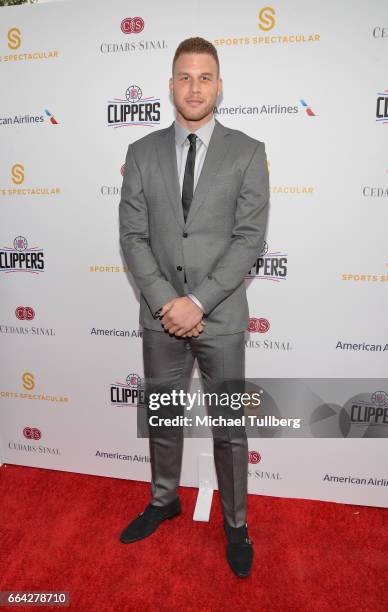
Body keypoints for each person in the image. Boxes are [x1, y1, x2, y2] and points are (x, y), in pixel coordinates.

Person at [118, 37, 269, 578]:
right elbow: (133, 237)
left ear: (219, 85)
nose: (195, 87)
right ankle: (164, 500)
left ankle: (235, 523)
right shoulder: (141, 152)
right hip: (160, 317)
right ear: (170, 85)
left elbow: (250, 238)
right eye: (185, 76)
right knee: (162, 414)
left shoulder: (248, 150)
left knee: (229, 428)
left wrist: (199, 301)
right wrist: (167, 303)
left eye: (205, 77)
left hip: (221, 315)